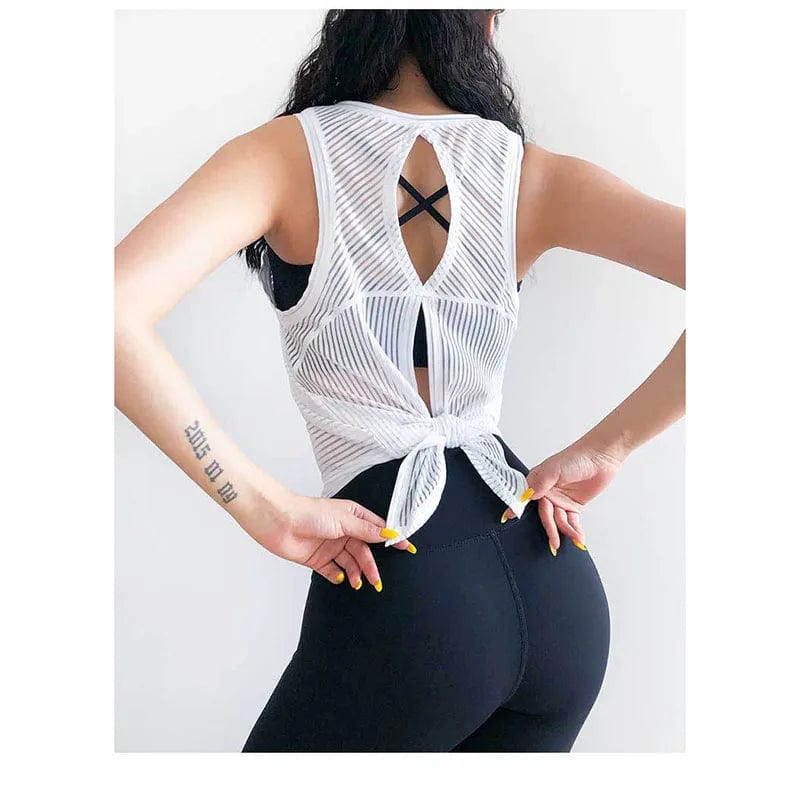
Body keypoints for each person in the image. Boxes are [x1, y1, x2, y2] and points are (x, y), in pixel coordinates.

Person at [114, 10, 685, 752]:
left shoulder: (283, 156)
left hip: (408, 592)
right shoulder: (531, 172)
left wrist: (261, 507)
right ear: (482, 24)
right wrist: (613, 446)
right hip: (555, 588)